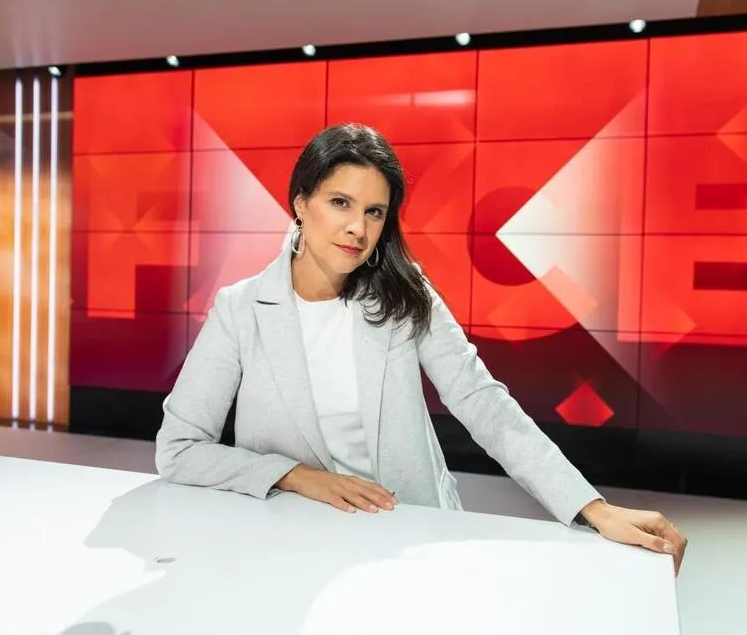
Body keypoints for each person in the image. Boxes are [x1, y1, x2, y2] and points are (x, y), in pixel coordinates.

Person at [155, 123, 688, 574]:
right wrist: (294, 476)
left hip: (408, 538)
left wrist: (592, 507)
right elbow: (179, 448)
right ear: (300, 202)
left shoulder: (405, 294)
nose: (357, 228)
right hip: (291, 544)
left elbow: (483, 402)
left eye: (374, 212)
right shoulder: (242, 308)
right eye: (340, 203)